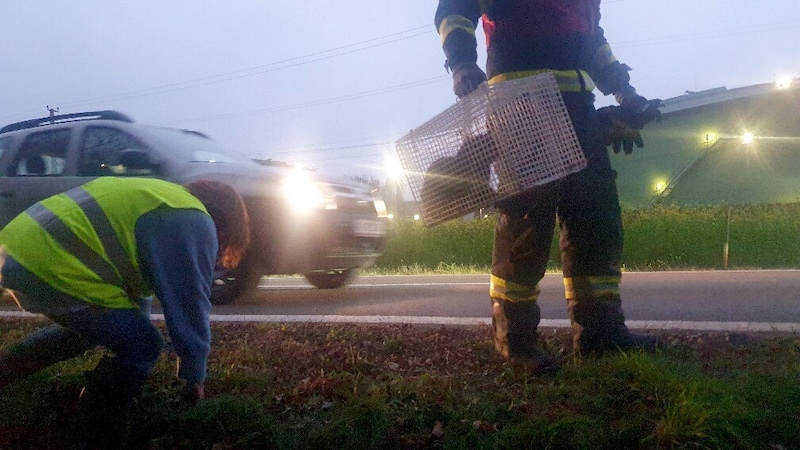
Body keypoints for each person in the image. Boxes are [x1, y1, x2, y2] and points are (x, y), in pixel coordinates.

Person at [434, 1, 663, 371]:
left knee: (596, 220)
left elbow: (592, 40)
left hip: (578, 106)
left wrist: (624, 90)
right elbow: (456, 8)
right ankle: (516, 341)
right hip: (521, 102)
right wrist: (460, 61)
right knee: (526, 225)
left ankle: (600, 334)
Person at [0, 176, 250, 447]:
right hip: (52, 261)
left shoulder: (160, 200)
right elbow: (190, 304)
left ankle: (5, 370)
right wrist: (194, 378)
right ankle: (92, 439)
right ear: (226, 222)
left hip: (16, 250)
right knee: (144, 344)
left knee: (108, 332)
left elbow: (134, 300)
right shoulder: (193, 220)